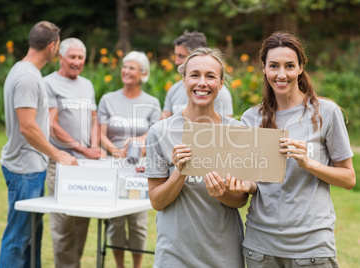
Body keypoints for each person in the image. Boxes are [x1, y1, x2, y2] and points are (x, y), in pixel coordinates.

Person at [236, 31, 356, 267]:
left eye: (289, 66)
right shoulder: (250, 118)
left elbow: (348, 178)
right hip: (261, 247)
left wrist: (308, 163)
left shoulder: (326, 113)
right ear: (264, 68)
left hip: (311, 248)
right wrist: (240, 184)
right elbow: (251, 184)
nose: (281, 74)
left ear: (301, 67)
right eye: (274, 66)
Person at [145, 47, 254, 267]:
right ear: (183, 80)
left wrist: (222, 193)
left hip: (224, 254)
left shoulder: (236, 131)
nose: (202, 82)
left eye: (210, 76)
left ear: (221, 84)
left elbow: (241, 200)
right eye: (194, 75)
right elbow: (157, 201)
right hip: (175, 255)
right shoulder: (160, 132)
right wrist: (180, 172)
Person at [0, 21, 77, 268]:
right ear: (52, 46)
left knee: (32, 236)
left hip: (31, 166)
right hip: (24, 169)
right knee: (19, 237)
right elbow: (27, 126)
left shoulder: (25, 71)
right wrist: (59, 155)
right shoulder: (28, 77)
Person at [44, 37, 105, 268]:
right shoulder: (48, 83)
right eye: (73, 57)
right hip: (61, 161)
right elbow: (52, 124)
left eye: (81, 57)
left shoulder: (87, 84)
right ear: (60, 57)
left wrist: (95, 146)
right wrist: (83, 149)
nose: (77, 61)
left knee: (82, 222)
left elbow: (93, 118)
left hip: (85, 165)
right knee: (63, 225)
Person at [98, 51, 161, 268]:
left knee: (137, 221)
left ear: (143, 73)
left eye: (132, 68)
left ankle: (136, 265)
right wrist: (114, 151)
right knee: (115, 223)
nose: (126, 71)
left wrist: (139, 141)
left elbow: (155, 133)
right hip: (114, 166)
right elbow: (100, 133)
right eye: (125, 67)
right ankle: (119, 266)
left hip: (139, 168)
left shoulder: (151, 102)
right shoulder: (108, 99)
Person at [160, 30, 233, 119]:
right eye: (176, 56)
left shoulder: (218, 93)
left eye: (181, 56)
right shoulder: (174, 89)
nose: (176, 61)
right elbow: (162, 124)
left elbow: (225, 127)